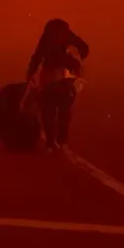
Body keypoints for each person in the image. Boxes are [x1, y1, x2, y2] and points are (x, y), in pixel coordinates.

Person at [25, 19, 89, 152]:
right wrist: (77, 60)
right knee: (64, 111)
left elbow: (37, 56)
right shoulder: (67, 34)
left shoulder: (46, 37)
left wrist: (30, 74)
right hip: (64, 76)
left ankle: (50, 143)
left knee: (48, 110)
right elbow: (84, 47)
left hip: (48, 77)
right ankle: (62, 141)